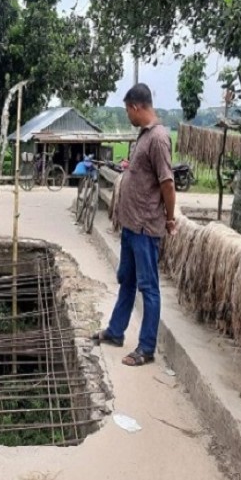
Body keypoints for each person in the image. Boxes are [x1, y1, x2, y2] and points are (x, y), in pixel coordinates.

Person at [92, 83, 177, 367]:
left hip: (145, 226)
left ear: (137, 106)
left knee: (148, 287)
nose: (127, 114)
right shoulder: (144, 136)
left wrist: (170, 218)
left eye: (128, 109)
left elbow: (167, 182)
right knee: (126, 280)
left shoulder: (159, 139)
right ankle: (116, 331)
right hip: (131, 225)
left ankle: (146, 348)